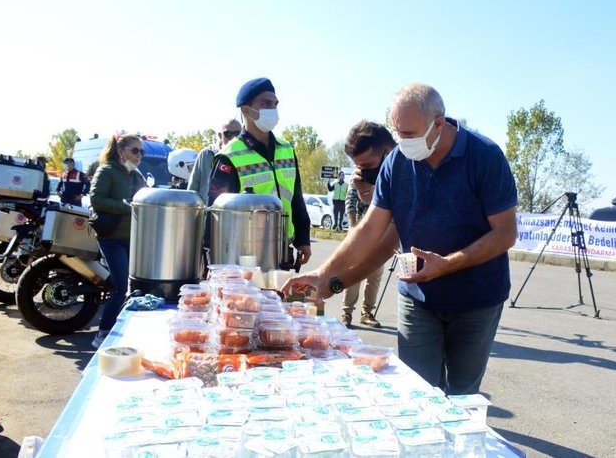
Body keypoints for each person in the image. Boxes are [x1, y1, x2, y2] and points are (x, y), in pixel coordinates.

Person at [284, 84, 518, 395]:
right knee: (416, 391)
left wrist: (447, 264)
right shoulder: (397, 164)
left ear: (438, 123)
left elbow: (505, 233)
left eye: (409, 134)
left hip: (476, 300)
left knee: (462, 394)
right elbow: (370, 231)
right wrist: (323, 275)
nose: (403, 143)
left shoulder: (484, 157)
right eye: (399, 133)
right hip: (418, 299)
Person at [209, 77, 311, 268]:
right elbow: (214, 212)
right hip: (244, 256)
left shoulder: (286, 149)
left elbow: (296, 198)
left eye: (275, 104)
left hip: (282, 251)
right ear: (245, 110)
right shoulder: (229, 156)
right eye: (265, 104)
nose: (272, 109)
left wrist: (303, 239)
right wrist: (210, 260)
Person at [89, 135, 146, 348]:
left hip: (133, 238)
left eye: (142, 152)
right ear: (120, 150)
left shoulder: (136, 175)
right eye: (135, 150)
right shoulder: (107, 171)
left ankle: (123, 331)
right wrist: (126, 207)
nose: (139, 155)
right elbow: (96, 200)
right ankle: (102, 335)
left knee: (135, 285)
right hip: (111, 237)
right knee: (121, 286)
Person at [339, 120, 398, 328]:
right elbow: (354, 203)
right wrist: (353, 228)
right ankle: (347, 313)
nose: (364, 170)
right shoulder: (359, 177)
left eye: (368, 166)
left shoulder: (401, 170)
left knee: (374, 275)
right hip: (362, 231)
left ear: (386, 151)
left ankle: (367, 312)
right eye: (359, 166)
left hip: (381, 236)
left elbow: (386, 208)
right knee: (353, 274)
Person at [188, 119, 242, 203]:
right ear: (220, 136)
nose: (232, 138)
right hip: (207, 210)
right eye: (228, 134)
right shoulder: (206, 154)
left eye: (237, 134)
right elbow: (192, 188)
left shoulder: (245, 156)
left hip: (233, 210)